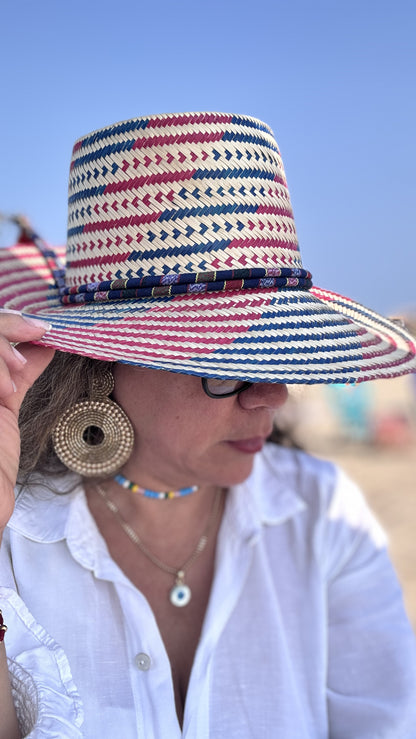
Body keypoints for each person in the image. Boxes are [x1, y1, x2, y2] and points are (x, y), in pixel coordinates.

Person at [0, 112, 415, 739]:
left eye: (276, 356)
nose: (272, 397)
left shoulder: (322, 514)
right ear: (107, 361)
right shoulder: (14, 532)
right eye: (228, 365)